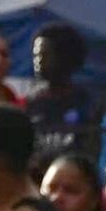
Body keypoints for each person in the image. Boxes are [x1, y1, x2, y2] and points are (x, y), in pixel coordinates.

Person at [20, 19, 94, 161]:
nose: (39, 61)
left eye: (45, 55)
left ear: (64, 56)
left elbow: (90, 151)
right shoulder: (29, 103)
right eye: (36, 55)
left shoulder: (86, 103)